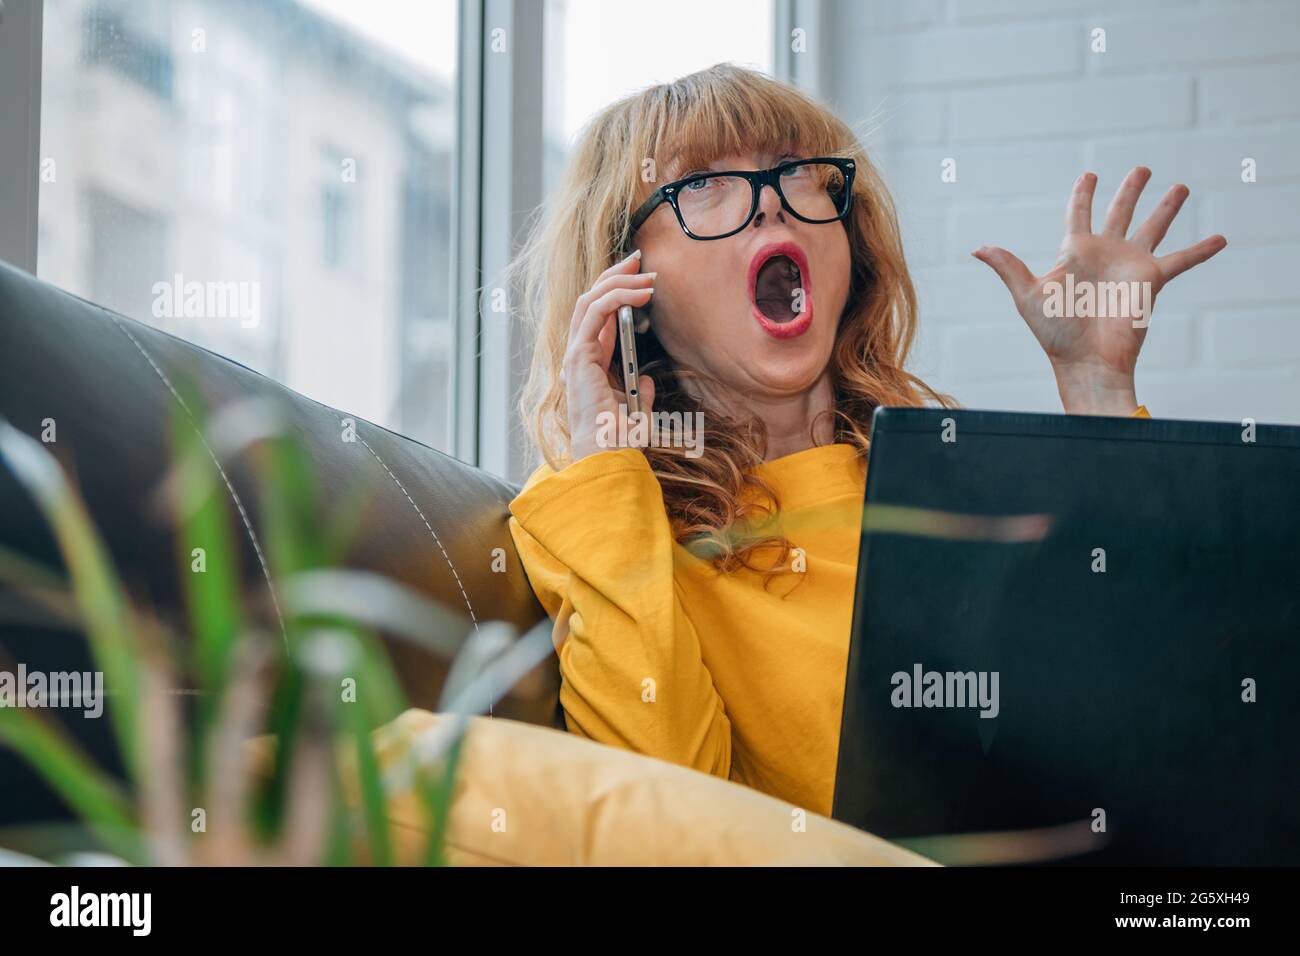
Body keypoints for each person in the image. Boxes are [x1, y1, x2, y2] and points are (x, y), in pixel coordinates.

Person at [506, 64, 1226, 817]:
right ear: (630, 293)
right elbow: (662, 822)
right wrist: (604, 462)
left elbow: (1155, 703)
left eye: (796, 171)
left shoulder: (945, 475)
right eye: (701, 185)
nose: (769, 209)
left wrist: (1097, 388)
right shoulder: (612, 524)